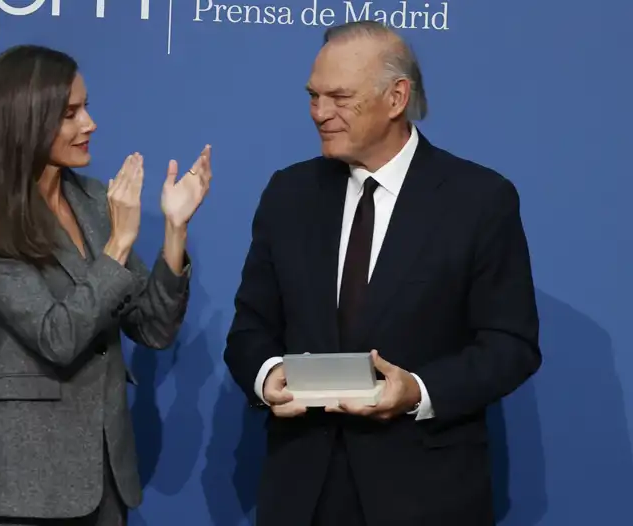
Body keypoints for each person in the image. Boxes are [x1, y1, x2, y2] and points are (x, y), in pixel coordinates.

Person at [223, 20, 541, 526]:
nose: (320, 113)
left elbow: (511, 345)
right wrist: (269, 378)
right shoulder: (289, 195)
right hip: (302, 492)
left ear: (396, 98)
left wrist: (416, 389)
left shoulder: (479, 200)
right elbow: (250, 328)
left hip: (426, 495)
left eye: (340, 97)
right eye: (313, 96)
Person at [0, 45, 212, 525]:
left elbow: (153, 328)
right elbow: (56, 338)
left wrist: (174, 230)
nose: (90, 123)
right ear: (26, 120)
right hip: (24, 486)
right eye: (70, 113)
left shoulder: (91, 201)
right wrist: (118, 245)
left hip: (105, 481)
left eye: (85, 107)